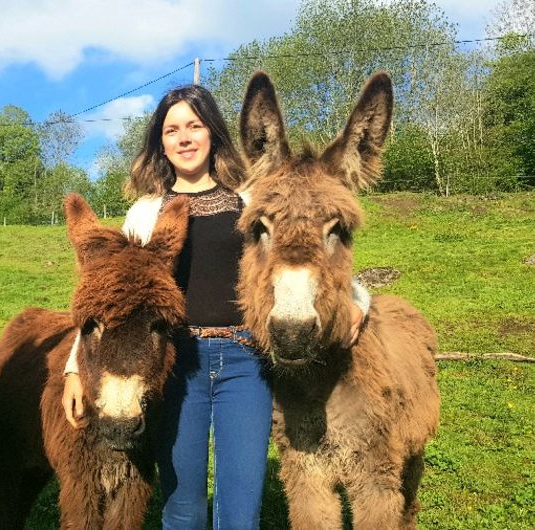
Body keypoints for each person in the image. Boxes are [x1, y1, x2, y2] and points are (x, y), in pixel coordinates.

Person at [62, 84, 369, 529]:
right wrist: (75, 367)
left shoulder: (253, 199)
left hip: (246, 362)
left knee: (239, 509)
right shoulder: (144, 213)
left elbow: (309, 255)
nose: (184, 138)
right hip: (176, 364)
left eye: (194, 125)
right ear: (160, 143)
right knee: (182, 506)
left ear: (212, 133)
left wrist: (359, 298)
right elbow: (109, 306)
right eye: (172, 130)